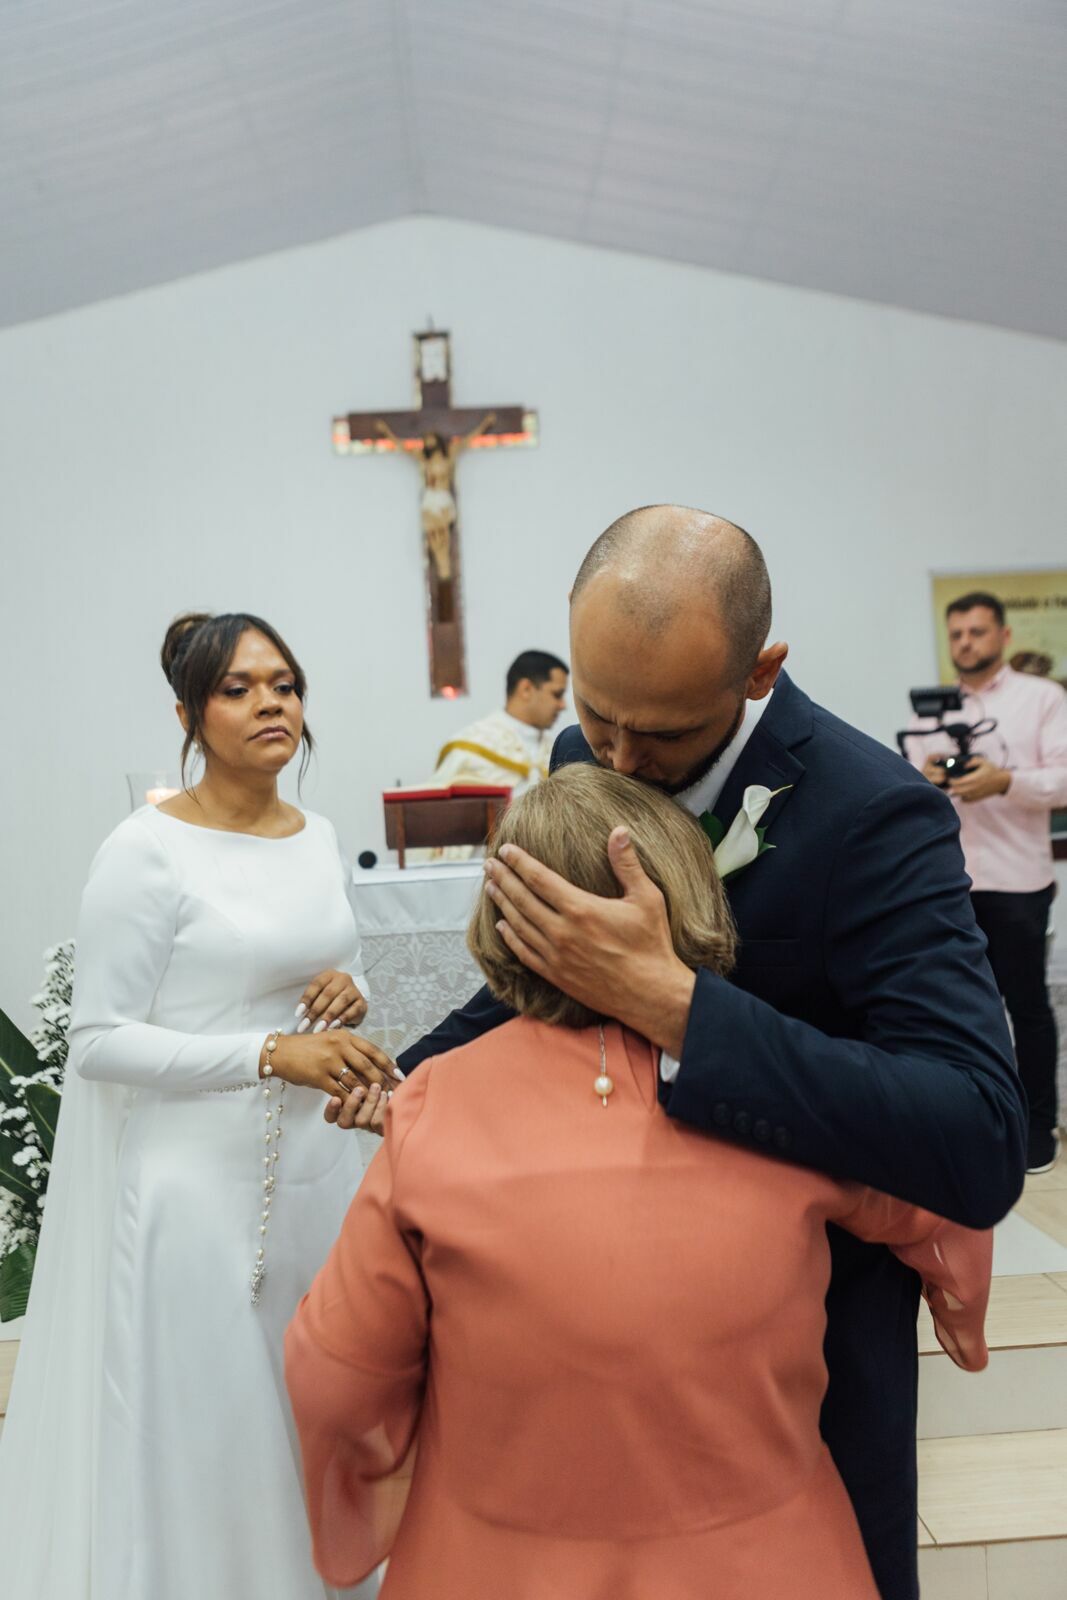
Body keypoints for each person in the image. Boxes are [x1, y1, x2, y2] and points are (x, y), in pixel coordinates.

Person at [389, 507, 1027, 1600]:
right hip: (596, 1356)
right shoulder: (579, 745)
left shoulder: (873, 815)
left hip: (797, 1362)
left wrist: (685, 1011)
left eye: (666, 733)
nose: (619, 758)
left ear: (758, 670)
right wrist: (407, 1084)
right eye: (597, 713)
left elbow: (974, 1134)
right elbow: (551, 974)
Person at [288, 765, 992, 1600]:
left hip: (497, 1556)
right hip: (764, 1557)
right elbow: (931, 1193)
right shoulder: (773, 1083)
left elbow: (336, 1369)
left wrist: (390, 1484)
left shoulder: (434, 1105)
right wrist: (954, 1292)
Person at [0, 611, 398, 1600]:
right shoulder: (144, 852)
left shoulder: (319, 834)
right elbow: (98, 1043)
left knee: (321, 1414)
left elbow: (316, 976)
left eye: (286, 683)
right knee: (222, 1439)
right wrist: (268, 1052)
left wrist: (347, 990)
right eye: (239, 687)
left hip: (318, 1177)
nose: (272, 701)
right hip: (196, 1195)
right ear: (187, 713)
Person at [907, 590, 1067, 1173]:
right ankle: (970, 1123)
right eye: (957, 634)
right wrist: (923, 779)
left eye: (976, 632)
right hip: (948, 884)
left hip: (1020, 880)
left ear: (1003, 636)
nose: (965, 643)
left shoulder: (1042, 699)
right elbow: (906, 788)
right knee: (955, 1010)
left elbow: (1063, 778)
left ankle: (1037, 1126)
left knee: (1026, 1008)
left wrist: (1005, 783)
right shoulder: (929, 710)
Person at [373, 415, 495, 581]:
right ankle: (441, 570)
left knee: (443, 540)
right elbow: (401, 447)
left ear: (439, 442)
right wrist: (386, 432)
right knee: (434, 540)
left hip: (443, 500)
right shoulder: (424, 460)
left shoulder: (450, 456)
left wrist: (486, 424)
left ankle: (445, 571)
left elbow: (469, 440)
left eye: (432, 440)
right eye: (427, 442)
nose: (429, 444)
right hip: (430, 502)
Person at [433, 649, 570, 796]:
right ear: (526, 689)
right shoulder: (469, 749)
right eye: (557, 695)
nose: (563, 705)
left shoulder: (557, 752)